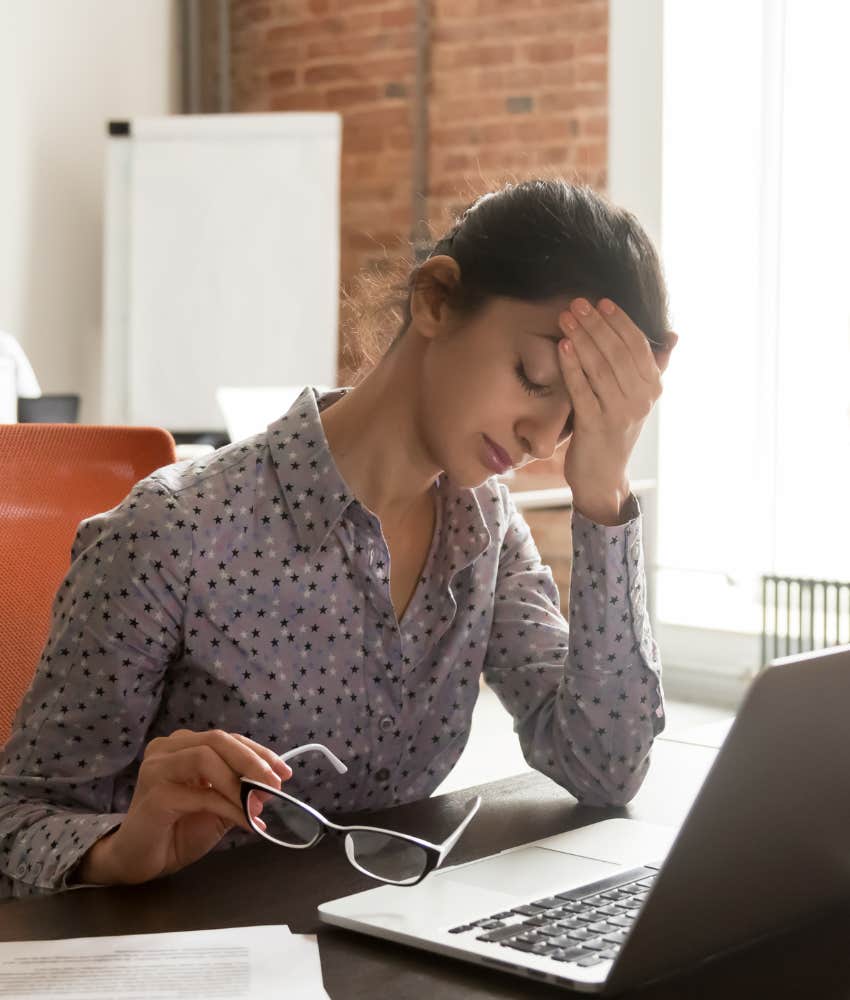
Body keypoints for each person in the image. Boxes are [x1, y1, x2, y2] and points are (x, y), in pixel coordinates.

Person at [0, 178, 677, 899]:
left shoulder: (486, 535)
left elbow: (605, 767)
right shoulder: (171, 533)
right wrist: (119, 850)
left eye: (575, 419)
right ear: (436, 300)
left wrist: (603, 493)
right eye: (534, 377)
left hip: (385, 949)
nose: (542, 437)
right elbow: (15, 822)